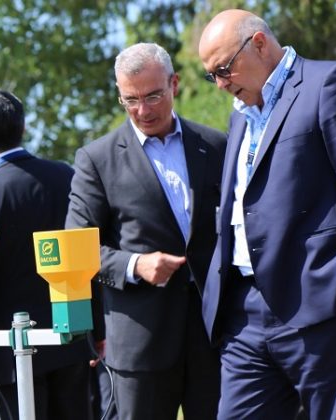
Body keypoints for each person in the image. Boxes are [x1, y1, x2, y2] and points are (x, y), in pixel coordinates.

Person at [198, 9, 336, 419]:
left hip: (324, 303)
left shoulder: (330, 84)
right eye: (211, 75)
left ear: (259, 44)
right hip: (245, 316)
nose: (219, 84)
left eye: (223, 69)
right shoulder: (240, 118)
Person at [66, 43, 226, 420]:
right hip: (141, 342)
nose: (142, 110)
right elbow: (77, 248)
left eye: (153, 96)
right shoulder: (97, 159)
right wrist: (135, 264)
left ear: (174, 83)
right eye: (130, 100)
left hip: (215, 335)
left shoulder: (217, 146)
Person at [0, 89, 91, 420]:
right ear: (22, 128)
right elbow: (85, 254)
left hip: (8, 348)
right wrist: (95, 331)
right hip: (69, 339)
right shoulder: (66, 177)